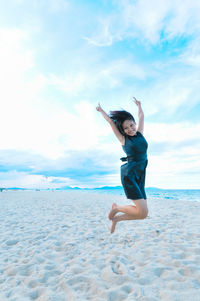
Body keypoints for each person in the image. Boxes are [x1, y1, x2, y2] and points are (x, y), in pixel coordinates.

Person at [96, 97, 148, 234]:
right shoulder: (123, 139)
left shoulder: (140, 134)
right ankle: (116, 208)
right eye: (126, 128)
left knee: (143, 214)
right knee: (142, 212)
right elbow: (110, 122)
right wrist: (101, 111)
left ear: (134, 124)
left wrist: (139, 106)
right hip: (130, 175)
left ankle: (116, 219)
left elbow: (141, 116)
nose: (130, 129)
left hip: (141, 174)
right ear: (123, 131)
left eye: (131, 125)